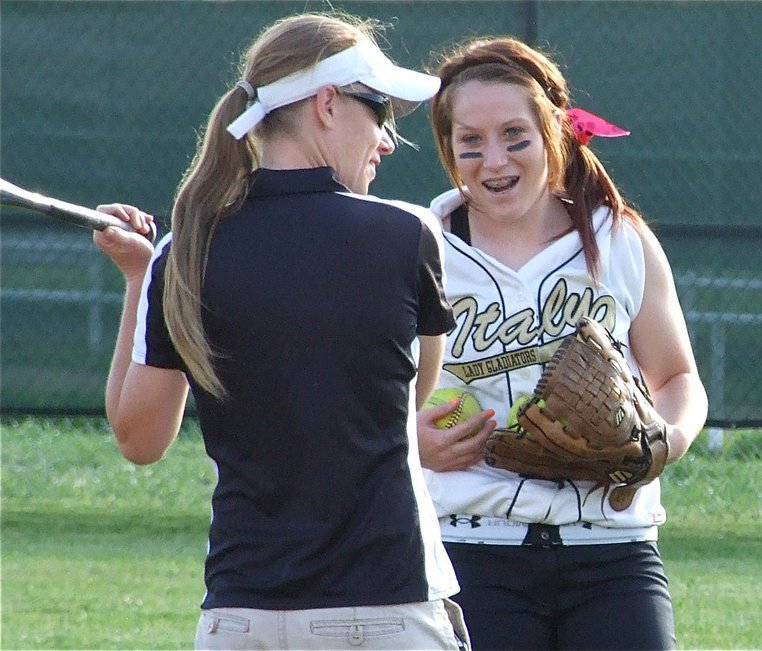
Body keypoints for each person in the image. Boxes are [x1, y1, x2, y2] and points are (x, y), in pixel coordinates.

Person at [93, 12, 472, 650]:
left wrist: (140, 279)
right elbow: (409, 401)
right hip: (385, 607)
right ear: (327, 104)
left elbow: (139, 439)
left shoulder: (185, 252)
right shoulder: (407, 235)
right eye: (377, 111)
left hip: (240, 618)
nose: (385, 140)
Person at [416, 36, 709, 650]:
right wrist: (410, 441)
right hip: (472, 547)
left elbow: (678, 377)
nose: (493, 160)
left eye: (514, 135)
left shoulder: (620, 240)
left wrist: (666, 440)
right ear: (449, 149)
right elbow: (367, 394)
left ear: (555, 132)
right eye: (470, 141)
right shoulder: (418, 248)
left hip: (613, 549)